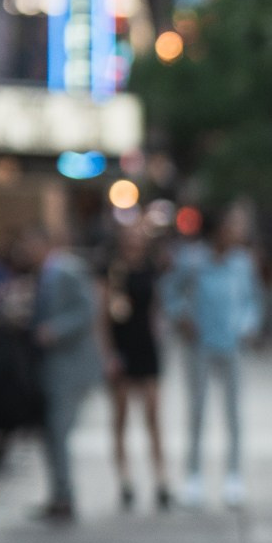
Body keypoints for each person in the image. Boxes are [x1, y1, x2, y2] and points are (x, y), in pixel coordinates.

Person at [167, 206, 263, 508]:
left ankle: (233, 477)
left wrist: (247, 326)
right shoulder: (192, 260)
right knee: (197, 412)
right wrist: (181, 317)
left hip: (231, 346)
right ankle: (193, 477)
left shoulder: (243, 263)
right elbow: (170, 292)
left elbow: (252, 301)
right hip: (200, 346)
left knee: (233, 414)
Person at [26, 220, 104, 524]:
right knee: (53, 433)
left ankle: (64, 497)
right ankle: (59, 494)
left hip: (70, 365)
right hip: (55, 364)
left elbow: (88, 309)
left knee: (59, 431)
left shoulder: (67, 269)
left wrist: (55, 330)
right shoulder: (47, 273)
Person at [104, 215, 171, 511]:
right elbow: (103, 315)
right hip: (122, 346)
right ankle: (125, 479)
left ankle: (161, 478)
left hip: (146, 345)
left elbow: (157, 307)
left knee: (153, 416)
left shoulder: (151, 269)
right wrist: (108, 353)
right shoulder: (112, 271)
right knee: (120, 417)